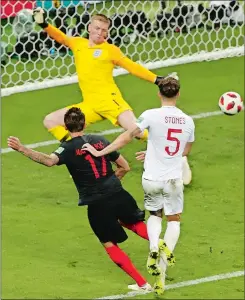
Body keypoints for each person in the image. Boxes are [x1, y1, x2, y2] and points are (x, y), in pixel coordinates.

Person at [7, 107, 175, 292]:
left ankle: (143, 284)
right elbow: (124, 167)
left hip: (97, 204)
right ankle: (161, 245)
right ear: (84, 123)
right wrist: (111, 181)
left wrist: (22, 148)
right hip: (119, 194)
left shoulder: (67, 148)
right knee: (134, 223)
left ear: (65, 126)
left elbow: (49, 161)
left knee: (109, 243)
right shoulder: (100, 140)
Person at [82, 77, 195, 295]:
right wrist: (160, 153)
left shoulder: (150, 115)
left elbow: (127, 136)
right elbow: (184, 151)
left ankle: (154, 247)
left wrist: (101, 151)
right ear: (178, 95)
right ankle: (161, 273)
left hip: (151, 179)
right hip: (173, 180)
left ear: (159, 94)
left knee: (154, 216)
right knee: (174, 221)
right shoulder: (188, 121)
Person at [32, 8, 178, 143]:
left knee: (137, 132)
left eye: (104, 30)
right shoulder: (78, 43)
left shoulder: (110, 50)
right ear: (89, 28)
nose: (100, 32)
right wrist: (44, 24)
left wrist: (156, 79)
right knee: (50, 120)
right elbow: (61, 37)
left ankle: (168, 144)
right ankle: (75, 149)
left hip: (110, 101)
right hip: (90, 105)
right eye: (97, 28)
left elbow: (132, 66)